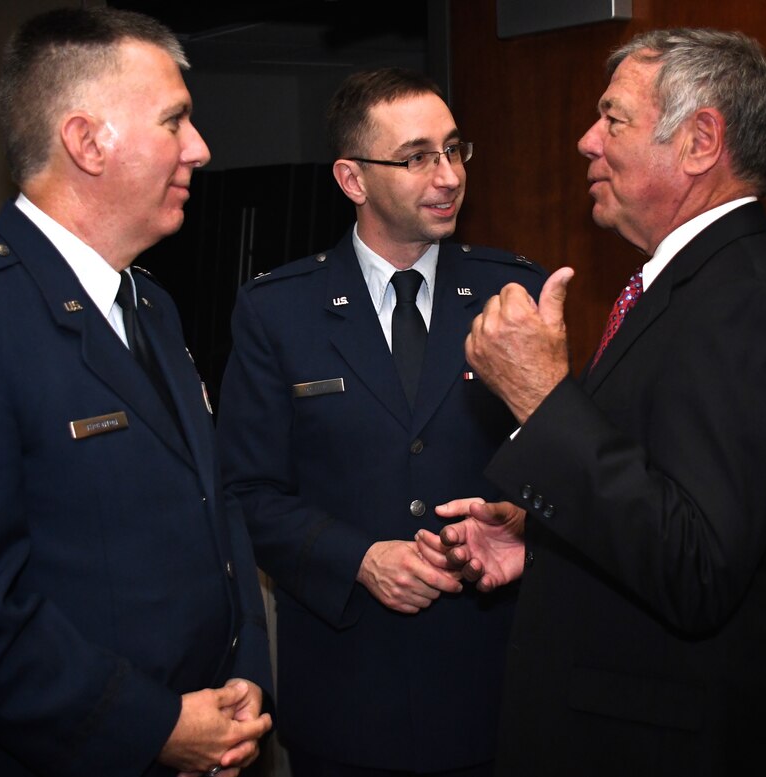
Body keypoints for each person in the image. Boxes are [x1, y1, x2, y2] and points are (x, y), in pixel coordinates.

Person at [417, 28, 766, 776]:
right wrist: (545, 539)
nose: (587, 140)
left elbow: (696, 569)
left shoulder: (748, 303)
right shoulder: (690, 287)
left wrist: (540, 396)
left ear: (699, 141)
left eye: (613, 118)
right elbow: (665, 498)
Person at [0, 8, 273, 777]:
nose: (201, 148)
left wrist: (246, 674)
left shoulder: (152, 306)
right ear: (87, 142)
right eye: (176, 120)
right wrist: (155, 725)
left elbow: (217, 509)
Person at [215, 68, 547, 777]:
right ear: (352, 178)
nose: (449, 174)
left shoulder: (513, 292)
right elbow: (245, 493)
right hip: (347, 698)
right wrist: (358, 558)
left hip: (493, 693)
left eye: (456, 150)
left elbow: (565, 470)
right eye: (417, 156)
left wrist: (524, 516)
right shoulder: (278, 310)